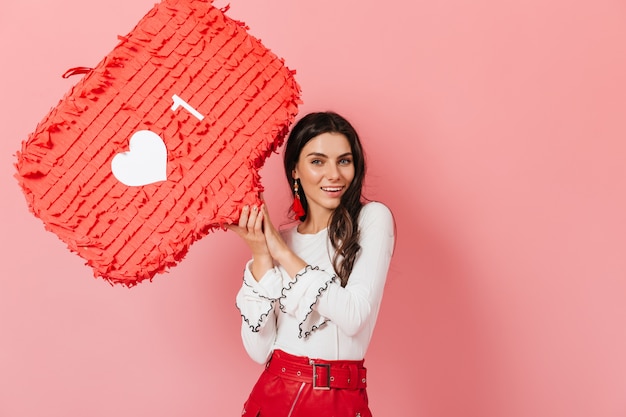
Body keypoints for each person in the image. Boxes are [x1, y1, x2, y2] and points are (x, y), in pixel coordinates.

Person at [228, 111, 395, 417]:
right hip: (273, 397)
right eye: (318, 161)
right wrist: (262, 255)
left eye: (344, 161)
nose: (334, 174)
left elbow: (354, 315)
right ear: (295, 170)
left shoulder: (372, 220)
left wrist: (279, 251)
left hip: (339, 403)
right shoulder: (283, 240)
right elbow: (259, 351)